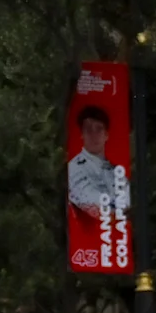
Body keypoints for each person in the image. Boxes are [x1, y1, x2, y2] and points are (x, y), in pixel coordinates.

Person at [66, 106, 129, 267]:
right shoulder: (74, 168)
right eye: (88, 130)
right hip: (90, 243)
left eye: (99, 129)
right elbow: (94, 205)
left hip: (117, 249)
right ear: (81, 134)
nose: (94, 135)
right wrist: (117, 208)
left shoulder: (117, 171)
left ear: (106, 135)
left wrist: (116, 209)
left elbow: (128, 202)